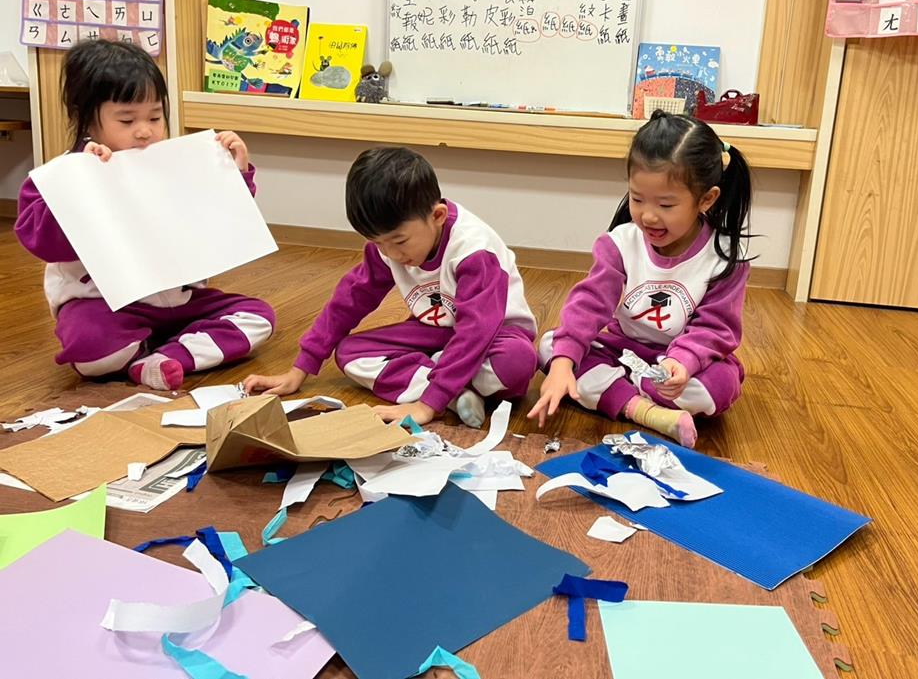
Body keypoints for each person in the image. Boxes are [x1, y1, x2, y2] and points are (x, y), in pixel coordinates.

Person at [15, 39, 275, 390]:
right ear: (88, 118)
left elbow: (218, 219)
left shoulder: (172, 163)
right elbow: (43, 243)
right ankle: (159, 347)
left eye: (155, 116)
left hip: (180, 299)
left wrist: (234, 173)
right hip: (105, 306)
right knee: (93, 352)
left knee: (259, 318)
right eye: (127, 120)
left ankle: (160, 358)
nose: (145, 130)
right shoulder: (59, 174)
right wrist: (81, 183)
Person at [244, 146, 538, 428]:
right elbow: (350, 300)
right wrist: (300, 368)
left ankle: (438, 386)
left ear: (437, 216)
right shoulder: (387, 248)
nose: (391, 254)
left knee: (517, 363)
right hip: (435, 334)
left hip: (494, 336)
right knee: (349, 352)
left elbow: (476, 331)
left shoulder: (474, 251)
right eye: (378, 243)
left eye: (399, 241)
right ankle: (454, 392)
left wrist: (427, 406)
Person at [528, 111, 751, 447]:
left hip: (678, 364)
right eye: (637, 199)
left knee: (719, 384)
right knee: (551, 348)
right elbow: (589, 305)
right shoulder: (620, 243)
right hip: (621, 349)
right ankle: (646, 411)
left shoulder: (723, 258)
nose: (648, 215)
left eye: (666, 205)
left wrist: (682, 363)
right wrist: (563, 363)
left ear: (706, 199)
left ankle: (622, 393)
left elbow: (715, 328)